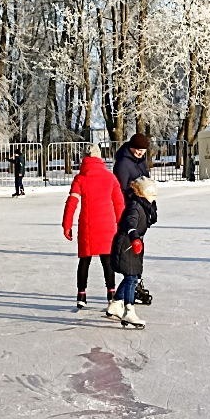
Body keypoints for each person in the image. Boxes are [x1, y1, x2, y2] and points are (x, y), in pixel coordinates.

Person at [62, 143, 125, 309]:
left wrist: (66, 224)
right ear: (99, 157)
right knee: (107, 260)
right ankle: (111, 292)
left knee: (84, 260)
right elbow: (119, 203)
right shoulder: (110, 178)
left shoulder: (80, 178)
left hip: (87, 224)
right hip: (107, 225)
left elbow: (72, 202)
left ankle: (81, 294)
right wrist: (123, 224)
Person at [107, 176, 158, 328]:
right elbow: (130, 223)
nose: (153, 198)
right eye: (151, 194)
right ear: (142, 193)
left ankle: (116, 303)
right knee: (131, 277)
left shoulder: (145, 205)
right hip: (126, 244)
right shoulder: (135, 206)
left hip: (132, 243)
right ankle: (129, 311)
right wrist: (134, 238)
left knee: (132, 275)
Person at [112, 132, 157, 304]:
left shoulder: (141, 161)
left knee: (138, 250)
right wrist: (136, 199)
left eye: (143, 150)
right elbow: (121, 190)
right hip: (131, 210)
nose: (140, 152)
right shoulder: (123, 163)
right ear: (131, 147)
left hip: (142, 208)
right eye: (137, 149)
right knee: (131, 250)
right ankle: (131, 283)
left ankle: (135, 281)